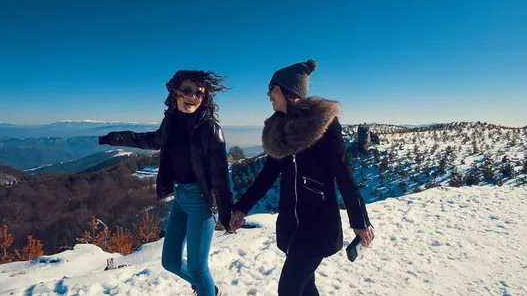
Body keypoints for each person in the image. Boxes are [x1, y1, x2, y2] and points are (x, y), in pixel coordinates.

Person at [229, 59, 374, 296]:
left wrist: (360, 221)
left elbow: (344, 174)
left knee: (288, 290)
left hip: (318, 225)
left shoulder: (324, 126)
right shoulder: (279, 130)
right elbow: (267, 175)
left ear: (288, 91)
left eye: (272, 88)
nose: (268, 94)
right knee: (306, 288)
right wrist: (242, 208)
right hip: (291, 224)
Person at [98, 70, 232, 296]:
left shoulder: (210, 129)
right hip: (180, 199)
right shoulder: (170, 122)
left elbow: (221, 175)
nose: (193, 97)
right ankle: (210, 290)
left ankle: (206, 290)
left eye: (199, 93)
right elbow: (150, 140)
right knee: (170, 261)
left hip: (201, 203)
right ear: (176, 92)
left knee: (198, 267)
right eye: (187, 91)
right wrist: (114, 138)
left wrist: (227, 212)